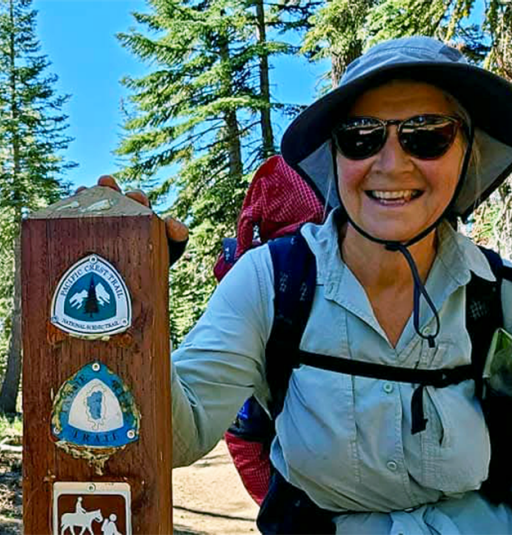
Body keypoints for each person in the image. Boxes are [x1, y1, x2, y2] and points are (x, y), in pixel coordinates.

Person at [164, 36, 512, 534]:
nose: (391, 164)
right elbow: (177, 434)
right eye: (361, 135)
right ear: (336, 157)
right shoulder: (272, 283)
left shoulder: (499, 296)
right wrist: (130, 305)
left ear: (467, 152)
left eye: (427, 134)